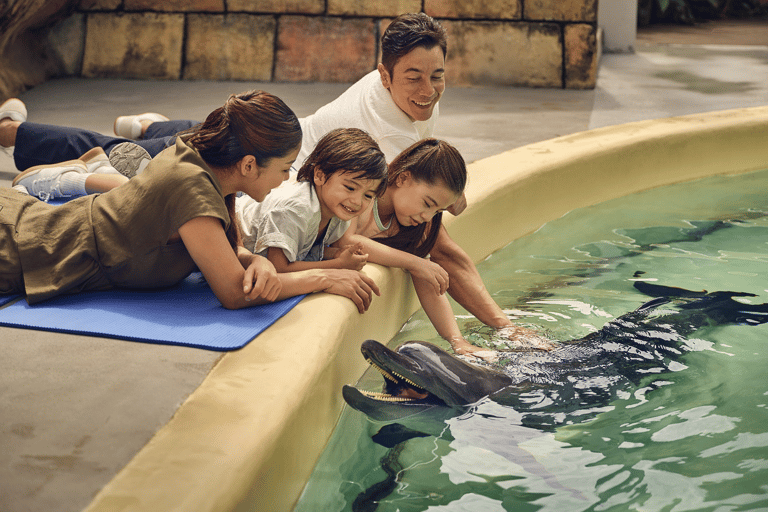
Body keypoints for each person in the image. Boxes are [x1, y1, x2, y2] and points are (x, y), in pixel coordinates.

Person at [0, 91, 379, 313]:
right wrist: (323, 276)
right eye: (283, 167)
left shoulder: (212, 169)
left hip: (46, 224)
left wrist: (257, 258)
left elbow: (231, 251)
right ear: (249, 165)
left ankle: (75, 176)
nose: (287, 177)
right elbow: (234, 293)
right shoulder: (192, 189)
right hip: (20, 248)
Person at [238, 127, 388, 271]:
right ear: (320, 175)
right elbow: (277, 267)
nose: (357, 201)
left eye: (368, 196)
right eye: (350, 188)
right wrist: (338, 264)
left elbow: (303, 247)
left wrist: (336, 254)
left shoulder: (337, 213)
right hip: (230, 230)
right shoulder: (296, 210)